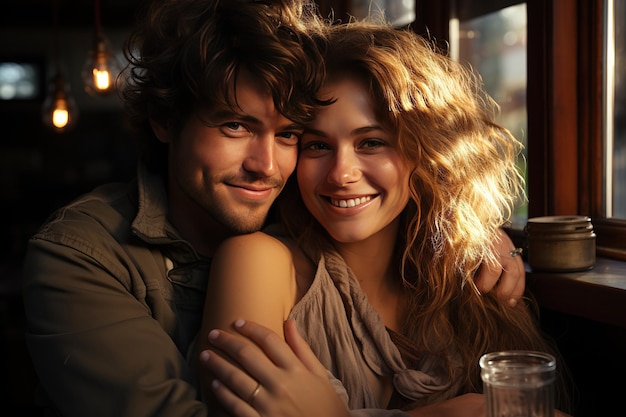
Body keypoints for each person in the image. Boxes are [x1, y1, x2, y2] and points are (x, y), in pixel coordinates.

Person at [21, 1, 525, 416]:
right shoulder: (81, 255)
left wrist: (472, 231)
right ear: (163, 120)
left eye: (288, 135)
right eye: (235, 126)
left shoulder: (308, 197)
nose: (266, 165)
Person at [196, 19, 571, 417]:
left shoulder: (467, 275)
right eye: (317, 145)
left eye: (371, 142)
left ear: (426, 153)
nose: (341, 174)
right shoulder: (256, 262)